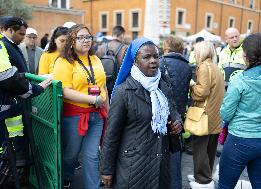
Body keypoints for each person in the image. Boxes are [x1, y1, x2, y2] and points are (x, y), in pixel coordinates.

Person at [100, 37, 183, 189]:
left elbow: (174, 112)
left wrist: (178, 123)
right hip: (134, 166)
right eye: (146, 57)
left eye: (156, 56)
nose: (153, 61)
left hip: (160, 163)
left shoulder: (163, 86)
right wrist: (106, 170)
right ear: (135, 61)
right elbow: (111, 135)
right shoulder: (123, 91)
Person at [218, 33, 261, 189]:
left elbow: (226, 114)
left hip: (239, 141)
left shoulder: (239, 79)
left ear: (246, 54)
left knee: (225, 186)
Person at [53, 24, 108, 189]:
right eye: (81, 37)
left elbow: (102, 86)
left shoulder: (96, 59)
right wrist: (92, 100)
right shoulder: (63, 62)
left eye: (88, 37)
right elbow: (65, 90)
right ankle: (66, 176)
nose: (86, 40)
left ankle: (94, 186)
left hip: (97, 115)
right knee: (71, 154)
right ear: (71, 41)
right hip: (75, 116)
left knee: (92, 155)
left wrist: (108, 110)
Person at [0, 16, 51, 188]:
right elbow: (10, 78)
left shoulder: (11, 45)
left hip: (11, 106)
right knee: (9, 150)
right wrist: (34, 89)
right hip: (7, 106)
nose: (23, 37)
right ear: (9, 30)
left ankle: (16, 175)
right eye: (21, 34)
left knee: (13, 148)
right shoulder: (4, 46)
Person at [188, 41, 225, 189]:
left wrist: (191, 86)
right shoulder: (215, 67)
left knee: (200, 148)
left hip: (204, 114)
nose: (195, 53)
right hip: (214, 114)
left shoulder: (203, 67)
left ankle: (202, 180)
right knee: (210, 148)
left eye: (196, 51)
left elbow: (202, 92)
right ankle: (204, 175)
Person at [160, 35, 192, 189]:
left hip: (163, 113)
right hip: (178, 113)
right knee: (175, 151)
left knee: (161, 152)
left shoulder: (161, 62)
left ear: (167, 47)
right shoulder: (187, 66)